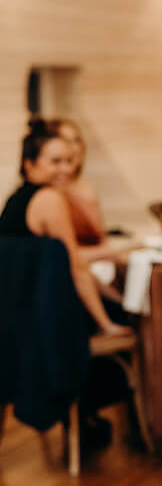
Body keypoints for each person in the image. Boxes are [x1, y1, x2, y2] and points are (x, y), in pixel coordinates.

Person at [0, 119, 125, 337]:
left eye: (69, 161)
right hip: (44, 318)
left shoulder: (16, 200)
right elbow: (76, 266)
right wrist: (107, 325)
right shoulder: (49, 199)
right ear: (30, 164)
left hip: (16, 314)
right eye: (55, 162)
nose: (66, 169)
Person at [55, 118, 106, 245]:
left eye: (76, 141)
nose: (74, 148)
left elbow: (101, 237)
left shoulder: (87, 186)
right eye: (65, 141)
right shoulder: (51, 192)